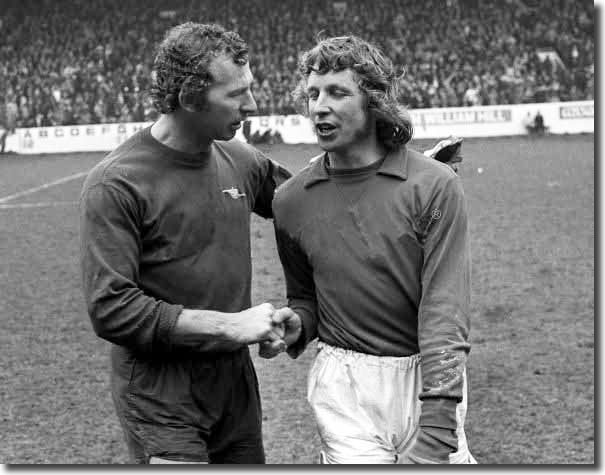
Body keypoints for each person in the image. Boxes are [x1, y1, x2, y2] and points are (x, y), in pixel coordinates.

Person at [79, 22, 300, 464]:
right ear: (188, 98)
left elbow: (309, 208)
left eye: (249, 89)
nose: (252, 105)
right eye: (236, 94)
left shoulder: (242, 159)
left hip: (234, 384)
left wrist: (408, 182)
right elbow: (111, 308)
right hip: (162, 392)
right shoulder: (117, 183)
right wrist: (230, 325)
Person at [265, 35, 477, 464]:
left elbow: (445, 309)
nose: (318, 106)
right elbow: (306, 296)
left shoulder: (433, 185)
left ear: (374, 101)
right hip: (343, 384)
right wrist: (298, 324)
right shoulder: (290, 200)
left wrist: (437, 425)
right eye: (312, 94)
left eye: (337, 92)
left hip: (426, 375)